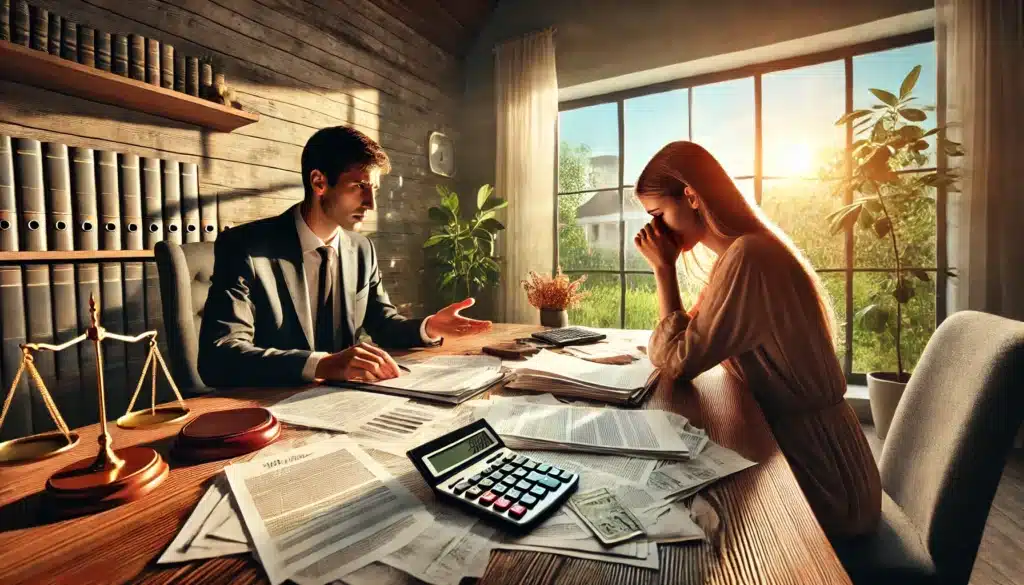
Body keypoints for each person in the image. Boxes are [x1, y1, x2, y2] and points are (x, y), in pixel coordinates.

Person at [631, 141, 881, 540]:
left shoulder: (749, 257)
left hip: (823, 477)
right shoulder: (739, 254)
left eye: (658, 215)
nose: (655, 230)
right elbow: (685, 342)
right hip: (809, 453)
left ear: (691, 196)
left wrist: (664, 269)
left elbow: (678, 361)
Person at [198, 126, 492, 388]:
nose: (371, 204)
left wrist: (427, 327)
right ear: (318, 183)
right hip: (270, 407)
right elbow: (219, 355)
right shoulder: (245, 247)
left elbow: (383, 323)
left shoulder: (361, 249)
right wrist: (322, 364)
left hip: (346, 404)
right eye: (359, 188)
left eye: (373, 189)